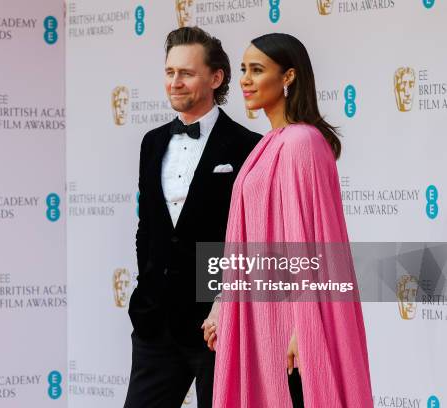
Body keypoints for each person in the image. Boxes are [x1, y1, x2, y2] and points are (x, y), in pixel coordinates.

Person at [206, 33, 373, 407]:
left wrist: (306, 327)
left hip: (292, 322)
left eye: (258, 70)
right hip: (261, 317)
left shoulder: (302, 142)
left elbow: (317, 243)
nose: (245, 80)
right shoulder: (267, 144)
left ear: (288, 77)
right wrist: (222, 301)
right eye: (244, 69)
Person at [125, 26, 261, 408]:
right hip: (155, 322)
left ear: (216, 78)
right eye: (170, 72)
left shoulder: (249, 146)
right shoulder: (151, 142)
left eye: (186, 73)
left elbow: (251, 235)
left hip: (217, 324)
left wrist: (225, 301)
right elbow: (148, 227)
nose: (175, 82)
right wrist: (145, 290)